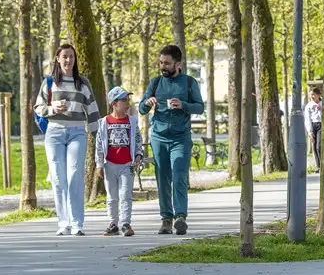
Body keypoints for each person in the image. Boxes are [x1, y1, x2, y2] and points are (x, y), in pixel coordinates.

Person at [34, 44, 101, 236]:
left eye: (71, 56)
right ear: (57, 58)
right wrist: (52, 109)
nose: (68, 60)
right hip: (54, 132)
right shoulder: (49, 82)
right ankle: (63, 223)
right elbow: (38, 107)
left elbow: (93, 110)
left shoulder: (83, 82)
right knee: (58, 178)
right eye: (64, 56)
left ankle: (77, 223)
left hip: (77, 132)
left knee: (74, 176)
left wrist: (98, 137)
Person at [139, 44, 204, 235]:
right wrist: (147, 103)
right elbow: (141, 108)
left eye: (167, 63)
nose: (163, 66)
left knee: (179, 176)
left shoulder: (189, 82)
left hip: (180, 138)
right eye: (161, 63)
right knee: (163, 178)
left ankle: (180, 217)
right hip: (159, 137)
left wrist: (183, 105)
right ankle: (166, 219)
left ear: (178, 64)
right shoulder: (155, 82)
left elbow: (200, 107)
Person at [95, 86, 144, 237]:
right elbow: (99, 145)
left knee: (126, 195)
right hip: (110, 165)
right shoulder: (104, 122)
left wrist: (138, 155)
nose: (127, 103)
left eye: (128, 100)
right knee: (112, 197)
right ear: (114, 103)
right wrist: (99, 164)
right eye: (124, 100)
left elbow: (138, 140)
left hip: (127, 165)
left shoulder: (132, 121)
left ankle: (125, 223)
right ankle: (113, 224)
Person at [304, 87, 322, 172]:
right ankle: (317, 166)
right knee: (314, 146)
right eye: (311, 94)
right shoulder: (309, 106)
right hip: (313, 125)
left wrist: (321, 110)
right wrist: (310, 132)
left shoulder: (323, 103)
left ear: (318, 95)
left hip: (321, 124)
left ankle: (322, 164)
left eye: (313, 94)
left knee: (319, 146)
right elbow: (307, 119)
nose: (312, 96)